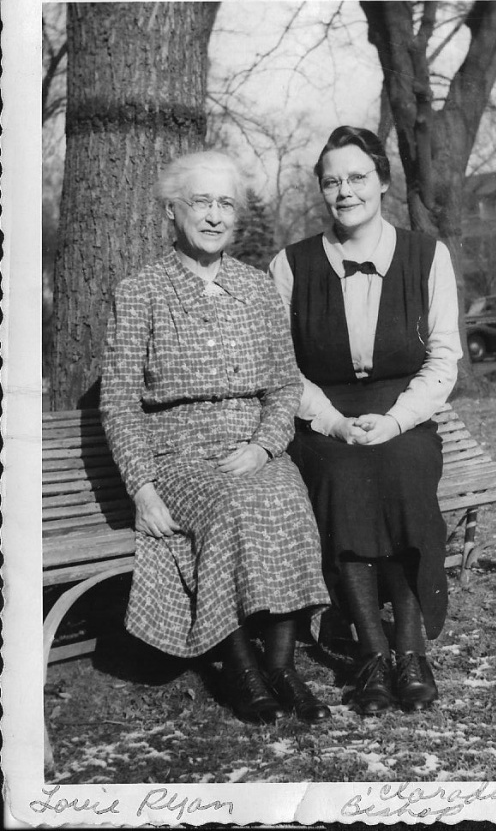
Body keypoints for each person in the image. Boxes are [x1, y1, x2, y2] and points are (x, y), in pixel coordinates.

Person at [100, 150, 331, 725]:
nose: (213, 216)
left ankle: (281, 666)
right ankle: (241, 669)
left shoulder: (257, 288)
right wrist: (143, 489)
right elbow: (119, 402)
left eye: (224, 204)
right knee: (230, 508)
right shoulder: (140, 292)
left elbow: (284, 385)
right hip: (179, 459)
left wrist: (263, 446)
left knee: (288, 500)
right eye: (200, 202)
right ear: (172, 212)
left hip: (252, 448)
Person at [269, 126, 462, 716]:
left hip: (403, 413)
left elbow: (443, 358)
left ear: (382, 181)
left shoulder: (427, 255)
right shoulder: (291, 265)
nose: (345, 191)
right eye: (332, 182)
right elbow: (282, 368)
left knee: (402, 470)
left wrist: (397, 420)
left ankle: (411, 651)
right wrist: (331, 422)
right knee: (344, 476)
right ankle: (373, 655)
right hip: (323, 417)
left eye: (357, 178)